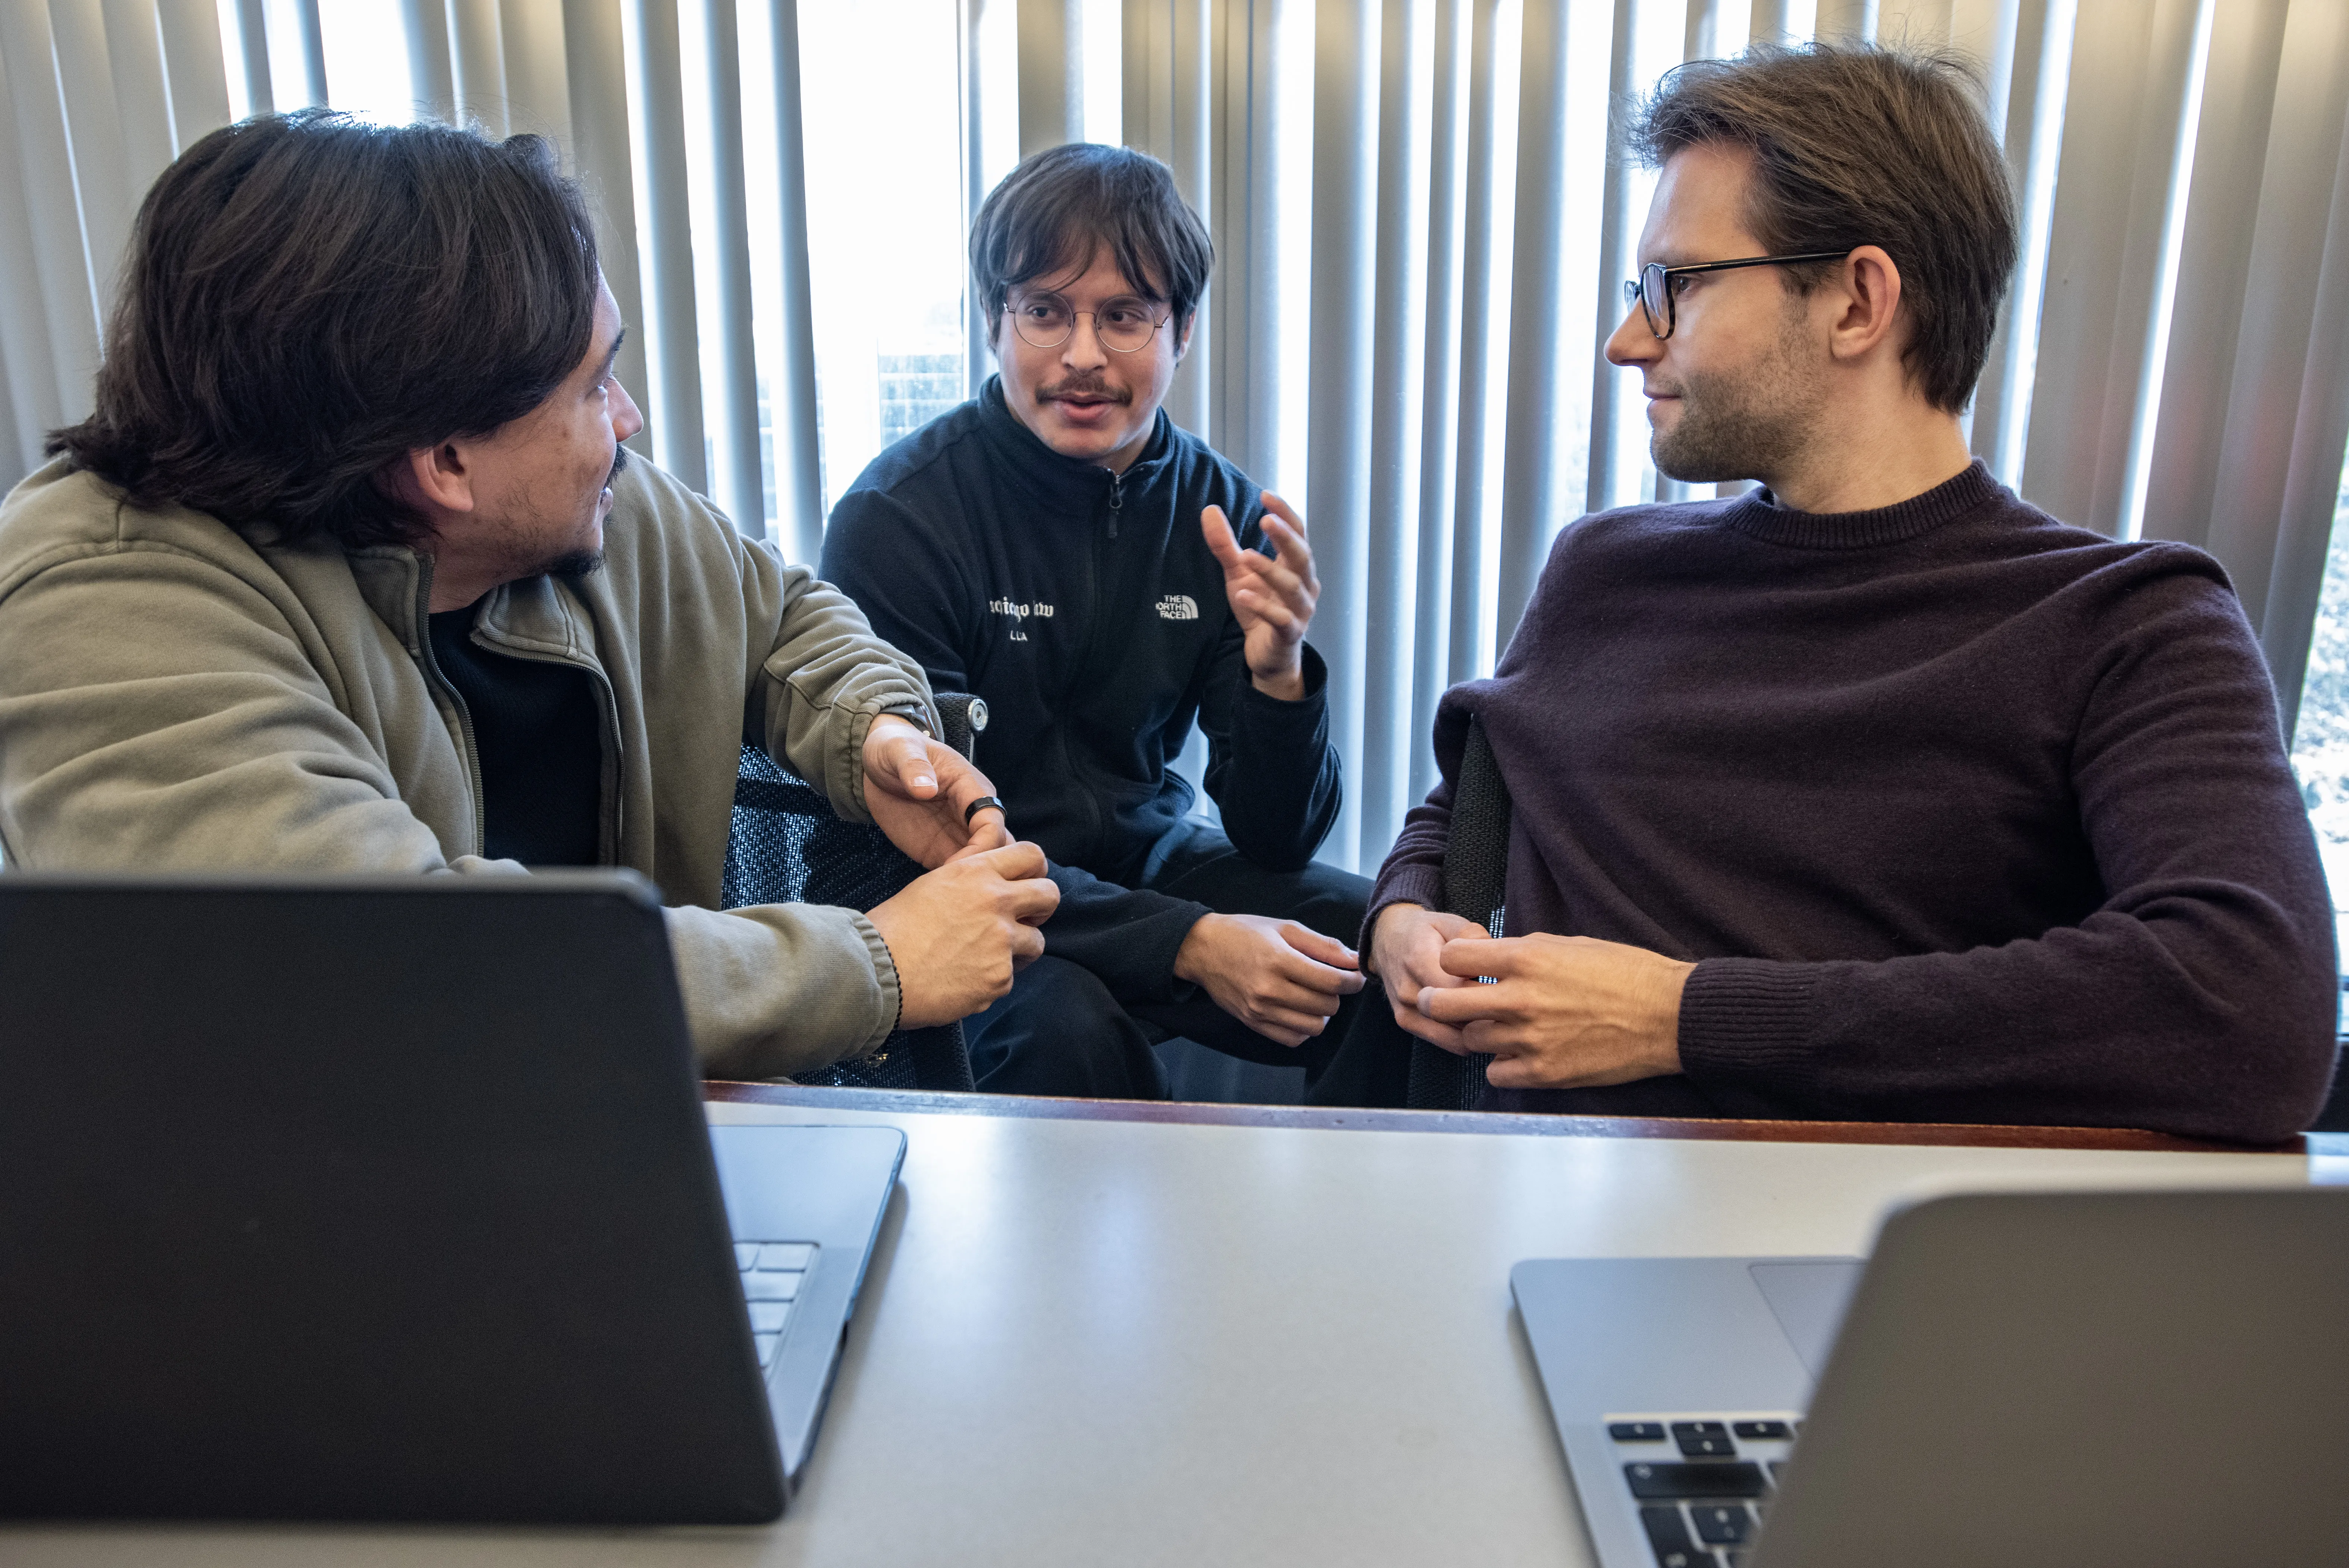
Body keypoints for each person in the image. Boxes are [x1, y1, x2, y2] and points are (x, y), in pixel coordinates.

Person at [1364, 42, 2338, 1144]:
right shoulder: (1605, 569)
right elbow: (1483, 796)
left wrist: (1687, 1018)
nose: (1626, 339)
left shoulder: (2126, 623)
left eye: (1671, 287)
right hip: (1498, 1207)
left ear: (1856, 302)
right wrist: (1403, 911)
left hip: (1867, 1270)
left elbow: (2246, 1010)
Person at [0, 111, 1060, 1079]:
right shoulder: (103, 604)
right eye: (595, 385)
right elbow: (393, 969)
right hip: (313, 1207)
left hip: (594, 1126)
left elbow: (779, 614)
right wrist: (873, 962)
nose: (629, 420)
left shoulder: (577, 499)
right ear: (445, 460)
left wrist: (866, 726)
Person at [821, 144, 1371, 1100]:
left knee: (1379, 955)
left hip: (1146, 858)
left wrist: (1281, 675)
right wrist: (1190, 944)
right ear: (996, 321)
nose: (1082, 356)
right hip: (952, 891)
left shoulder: (1218, 512)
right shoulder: (903, 518)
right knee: (1063, 1027)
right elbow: (932, 839)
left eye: (1124, 316)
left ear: (1182, 329)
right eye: (1044, 311)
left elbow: (1278, 839)